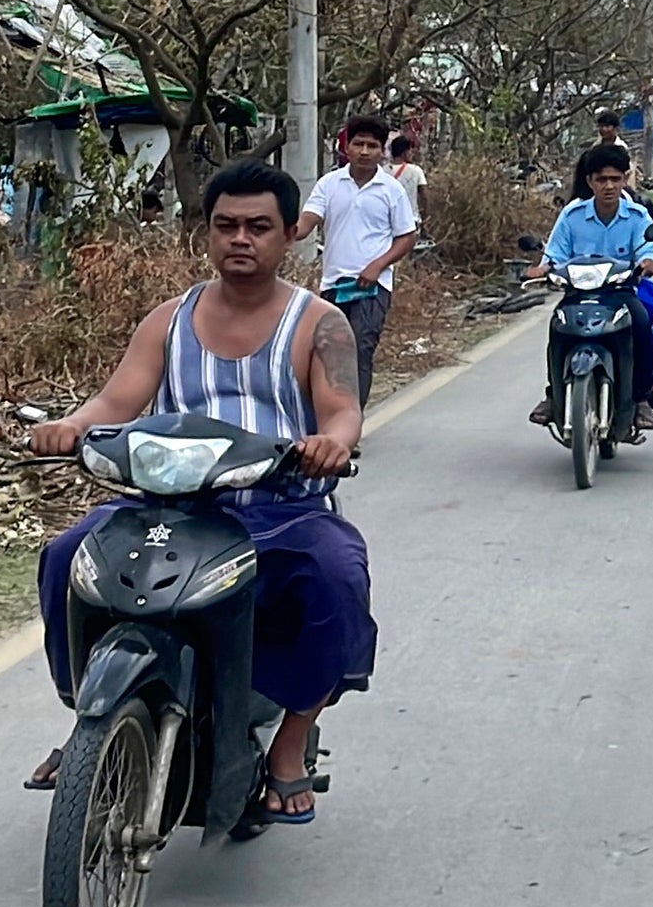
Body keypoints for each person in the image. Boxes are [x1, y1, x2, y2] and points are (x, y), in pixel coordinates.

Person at [26, 160, 371, 826]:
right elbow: (115, 401)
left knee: (337, 577)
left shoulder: (318, 323)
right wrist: (71, 427)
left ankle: (290, 744)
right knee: (68, 557)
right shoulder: (168, 319)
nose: (241, 239)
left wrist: (332, 441)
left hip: (279, 509)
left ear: (289, 236)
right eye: (226, 225)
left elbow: (342, 408)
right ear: (206, 233)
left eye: (259, 227)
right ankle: (90, 718)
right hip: (165, 507)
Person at [529, 142, 653, 433]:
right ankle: (551, 394)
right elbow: (554, 254)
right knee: (557, 328)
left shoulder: (636, 217)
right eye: (601, 179)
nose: (609, 186)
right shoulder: (571, 216)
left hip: (621, 294)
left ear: (624, 179)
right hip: (578, 294)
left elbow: (647, 249)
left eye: (615, 179)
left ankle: (642, 397)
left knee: (643, 323)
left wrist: (649, 262)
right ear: (589, 182)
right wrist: (542, 267)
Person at [296, 115, 421, 405]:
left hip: (372, 287)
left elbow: (406, 236)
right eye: (359, 144)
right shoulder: (329, 184)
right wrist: (281, 232)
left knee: (360, 348)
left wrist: (378, 265)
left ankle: (350, 425)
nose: (365, 151)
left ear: (382, 151)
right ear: (347, 148)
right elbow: (307, 222)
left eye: (372, 146)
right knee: (328, 352)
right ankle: (327, 419)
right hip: (333, 284)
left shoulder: (391, 190)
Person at [385, 130, 427, 216]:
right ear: (404, 153)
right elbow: (424, 196)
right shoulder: (416, 170)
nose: (411, 154)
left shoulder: (382, 171)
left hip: (387, 220)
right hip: (411, 219)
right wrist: (425, 216)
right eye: (410, 151)